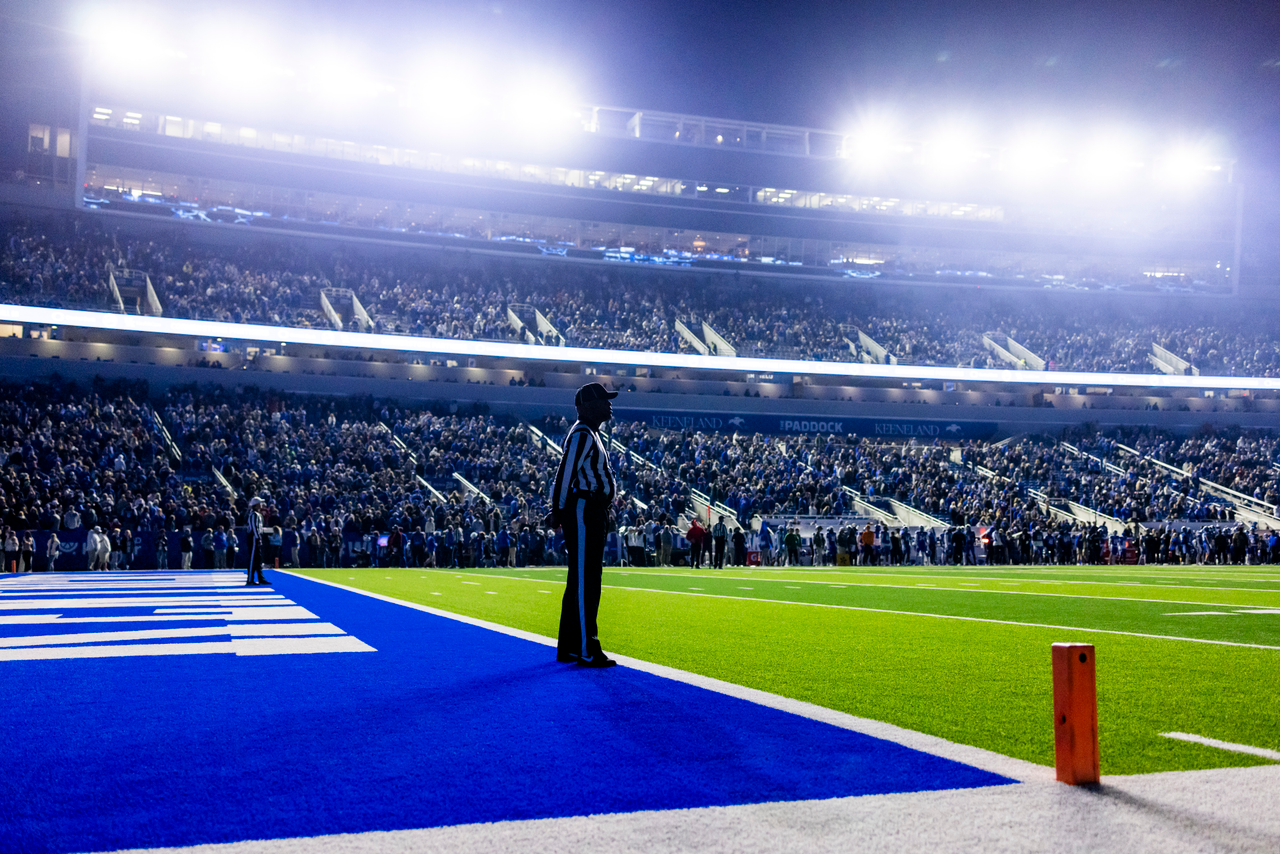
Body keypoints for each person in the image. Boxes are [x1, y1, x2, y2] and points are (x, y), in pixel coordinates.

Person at [550, 382, 619, 668]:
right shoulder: (582, 433)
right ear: (588, 406)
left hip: (591, 509)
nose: (610, 405)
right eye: (604, 400)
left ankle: (570, 646)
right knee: (585, 581)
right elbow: (565, 474)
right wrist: (558, 510)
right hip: (583, 509)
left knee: (583, 579)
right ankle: (586, 647)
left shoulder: (589, 434)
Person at [245, 496, 269, 586]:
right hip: (253, 538)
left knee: (258, 559)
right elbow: (254, 527)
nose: (261, 505)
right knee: (252, 559)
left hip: (256, 537)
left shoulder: (257, 515)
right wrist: (257, 537)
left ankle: (260, 578)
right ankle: (250, 579)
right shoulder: (253, 515)